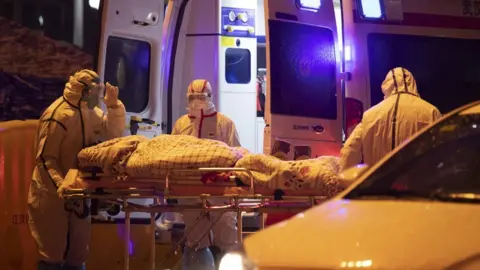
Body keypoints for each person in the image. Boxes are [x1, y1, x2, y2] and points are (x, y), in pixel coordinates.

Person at [27, 69, 126, 270]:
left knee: (78, 253)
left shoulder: (92, 114)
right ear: (84, 91)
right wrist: (62, 185)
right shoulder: (57, 115)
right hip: (52, 194)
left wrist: (114, 107)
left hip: (79, 193)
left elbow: (113, 135)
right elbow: (46, 158)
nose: (98, 96)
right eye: (96, 92)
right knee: (52, 254)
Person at [163, 79, 241, 270]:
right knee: (196, 239)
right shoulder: (181, 124)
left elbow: (237, 153)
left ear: (210, 97)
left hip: (219, 190)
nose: (197, 101)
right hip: (189, 189)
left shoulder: (224, 123)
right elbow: (171, 153)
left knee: (227, 236)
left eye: (201, 97)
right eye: (193, 97)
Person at [339, 67, 441, 171]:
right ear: (413, 84)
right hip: (418, 185)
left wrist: (347, 181)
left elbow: (349, 151)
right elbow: (443, 151)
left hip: (378, 184)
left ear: (386, 86)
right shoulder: (431, 112)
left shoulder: (369, 116)